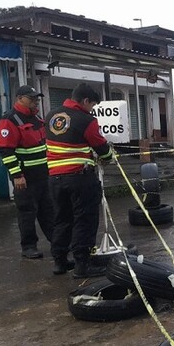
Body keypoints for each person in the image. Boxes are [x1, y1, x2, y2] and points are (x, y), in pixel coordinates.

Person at [45, 83, 113, 278]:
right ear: (85, 101)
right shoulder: (86, 120)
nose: (92, 109)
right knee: (85, 220)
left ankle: (59, 261)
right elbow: (101, 147)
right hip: (79, 179)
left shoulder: (51, 116)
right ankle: (82, 265)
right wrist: (108, 158)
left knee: (61, 220)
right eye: (92, 105)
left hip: (55, 179)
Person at [0, 85, 55, 259]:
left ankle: (57, 242)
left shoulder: (36, 117)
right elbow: (5, 151)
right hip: (25, 177)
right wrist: (17, 175)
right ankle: (29, 246)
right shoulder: (9, 120)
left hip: (43, 175)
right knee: (27, 212)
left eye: (36, 98)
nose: (35, 101)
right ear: (20, 98)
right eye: (31, 98)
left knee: (49, 211)